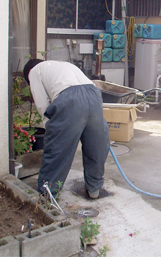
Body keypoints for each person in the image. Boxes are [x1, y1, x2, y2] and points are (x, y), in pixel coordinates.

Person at [23, 59, 110, 199]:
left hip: (70, 99)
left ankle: (48, 194)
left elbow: (42, 104)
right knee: (96, 145)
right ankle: (94, 189)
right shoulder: (62, 65)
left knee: (58, 149)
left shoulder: (34, 71)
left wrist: (51, 127)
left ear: (28, 73)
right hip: (94, 95)